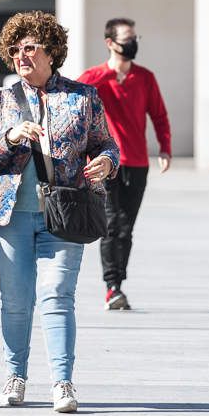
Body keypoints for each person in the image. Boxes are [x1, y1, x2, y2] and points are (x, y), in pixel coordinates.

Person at [0, 11, 119, 413]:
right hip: (11, 214)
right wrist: (10, 136)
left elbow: (107, 145)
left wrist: (106, 163)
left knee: (57, 296)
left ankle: (62, 383)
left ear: (51, 51)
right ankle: (15, 376)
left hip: (64, 214)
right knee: (16, 300)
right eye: (15, 49)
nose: (22, 55)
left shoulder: (82, 96)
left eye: (30, 47)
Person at [78, 18, 171, 311]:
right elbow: (70, 105)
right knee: (112, 223)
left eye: (135, 37)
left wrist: (165, 148)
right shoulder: (93, 78)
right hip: (105, 163)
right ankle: (113, 286)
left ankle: (118, 283)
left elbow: (159, 115)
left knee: (126, 227)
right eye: (127, 38)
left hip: (138, 163)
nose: (132, 43)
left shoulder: (145, 78)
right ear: (110, 43)